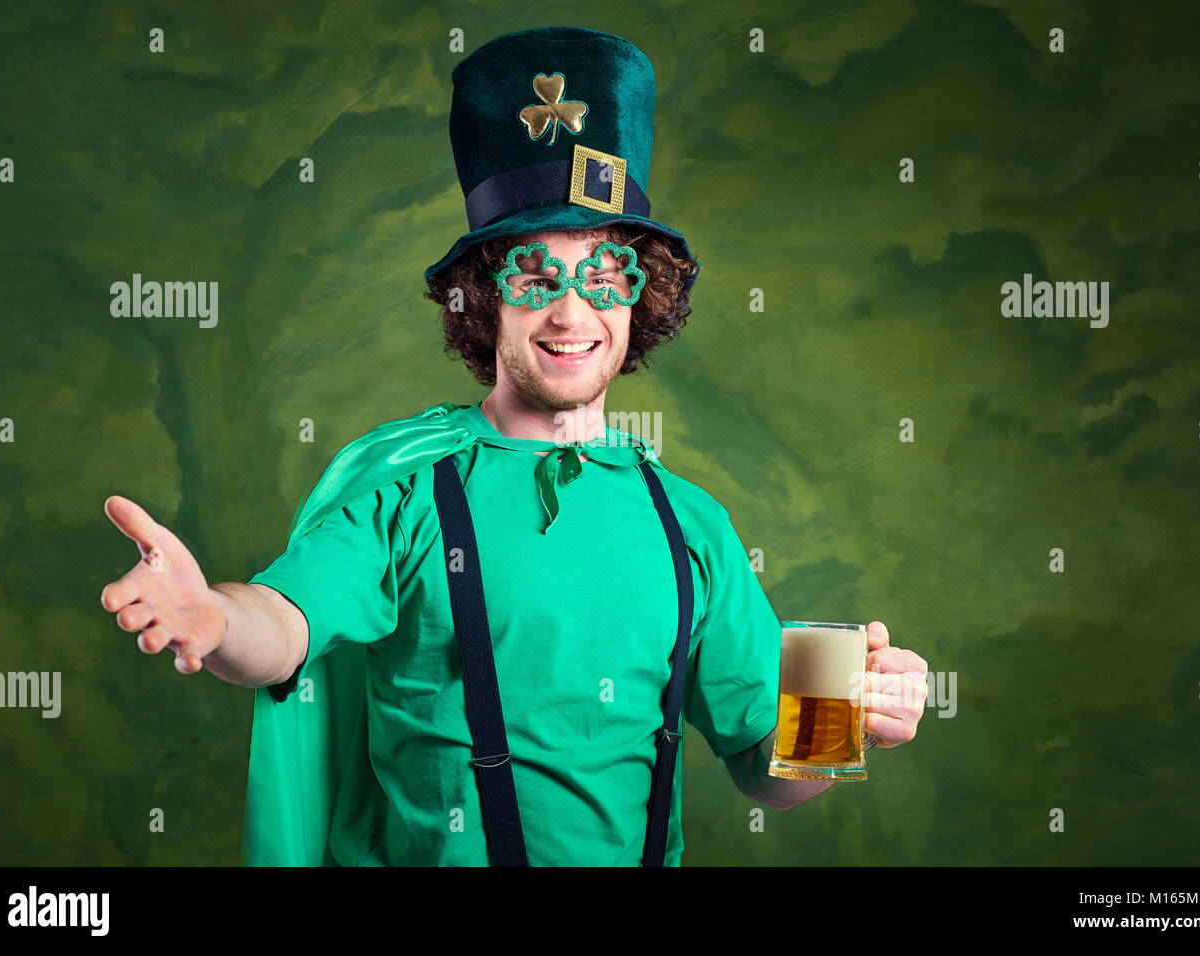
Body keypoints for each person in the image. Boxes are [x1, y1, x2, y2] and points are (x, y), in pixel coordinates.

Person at [99, 26, 928, 867]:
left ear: (644, 299)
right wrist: (214, 617)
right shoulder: (405, 495)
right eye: (536, 277)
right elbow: (281, 625)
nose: (571, 313)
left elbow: (762, 766)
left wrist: (846, 715)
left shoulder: (692, 527)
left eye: (604, 276)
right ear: (483, 297)